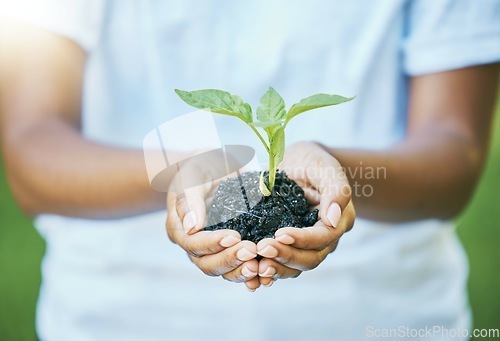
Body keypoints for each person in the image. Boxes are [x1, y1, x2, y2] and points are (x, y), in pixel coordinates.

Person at [0, 0, 498, 340]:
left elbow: (455, 152)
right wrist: (182, 174)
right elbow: (32, 145)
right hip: (123, 319)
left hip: (381, 314)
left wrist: (337, 170)